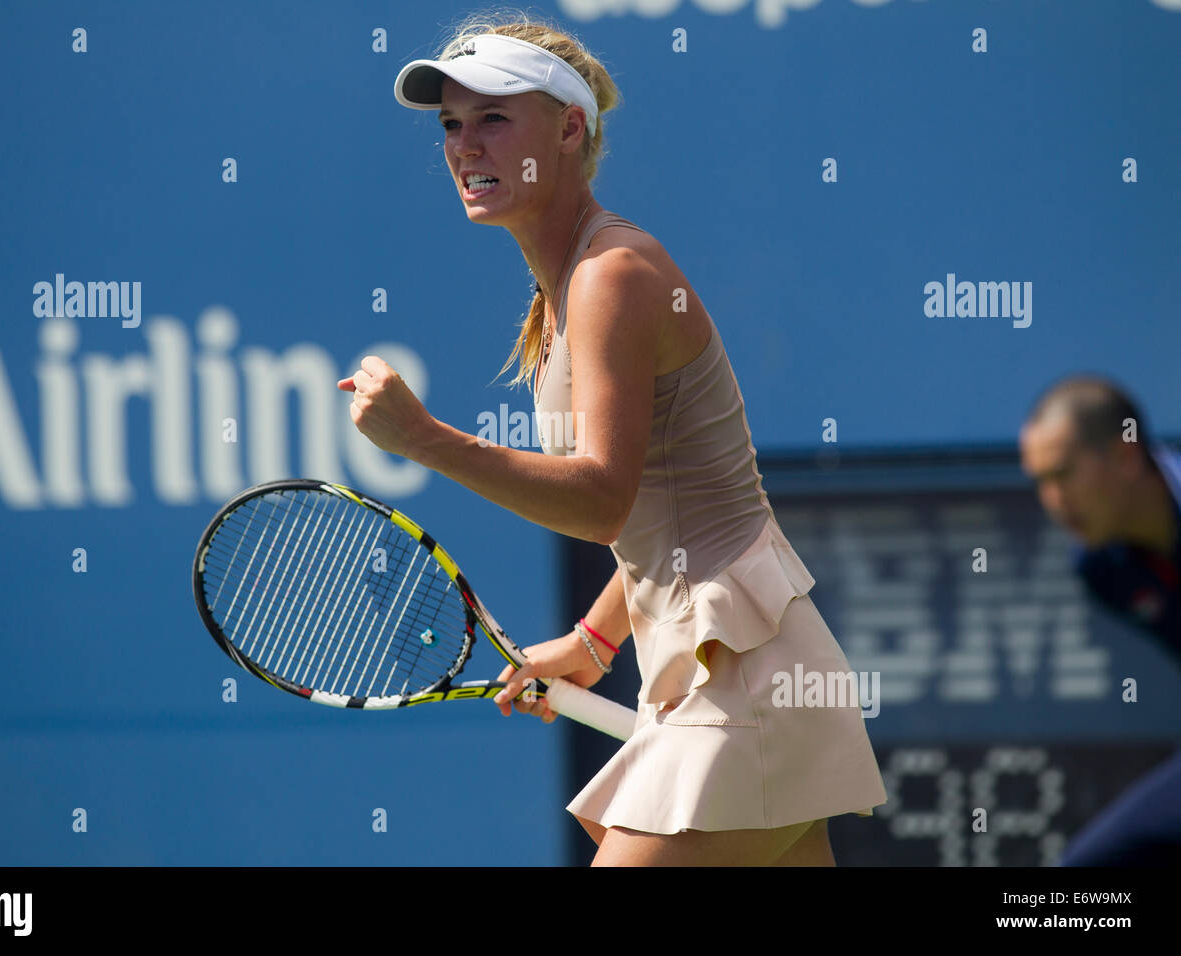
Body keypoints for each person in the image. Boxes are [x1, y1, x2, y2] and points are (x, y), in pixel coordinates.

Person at [340, 11, 886, 866]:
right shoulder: (566, 292)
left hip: (740, 689)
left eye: (492, 118)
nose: (464, 145)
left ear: (568, 129)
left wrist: (427, 440)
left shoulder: (612, 277)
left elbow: (603, 500)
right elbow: (674, 511)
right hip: (745, 676)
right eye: (451, 124)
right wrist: (597, 641)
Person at [1019, 376, 1181, 865]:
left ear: (1126, 456)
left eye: (1063, 474)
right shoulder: (1099, 569)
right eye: (1040, 481)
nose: (1053, 499)